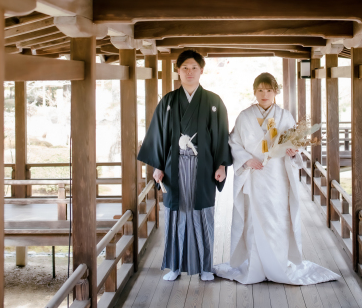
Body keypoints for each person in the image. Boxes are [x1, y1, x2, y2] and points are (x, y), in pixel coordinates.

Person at [214, 72, 340, 285]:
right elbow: (233, 143)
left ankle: (279, 265)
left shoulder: (285, 116)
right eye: (261, 90)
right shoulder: (244, 117)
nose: (264, 94)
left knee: (279, 219)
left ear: (275, 92)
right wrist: (246, 160)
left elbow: (296, 145)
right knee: (255, 220)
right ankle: (255, 266)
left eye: (269, 90)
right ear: (254, 92)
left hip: (278, 177)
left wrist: (293, 152)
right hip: (255, 176)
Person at [137, 50, 232, 281]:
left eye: (194, 68)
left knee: (203, 213)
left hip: (204, 167)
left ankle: (206, 267)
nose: (189, 72)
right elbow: (158, 135)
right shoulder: (168, 101)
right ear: (177, 71)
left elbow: (221, 135)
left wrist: (221, 165)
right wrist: (157, 165)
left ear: (201, 71)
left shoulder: (213, 101)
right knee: (175, 214)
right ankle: (175, 266)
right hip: (173, 167)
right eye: (185, 68)